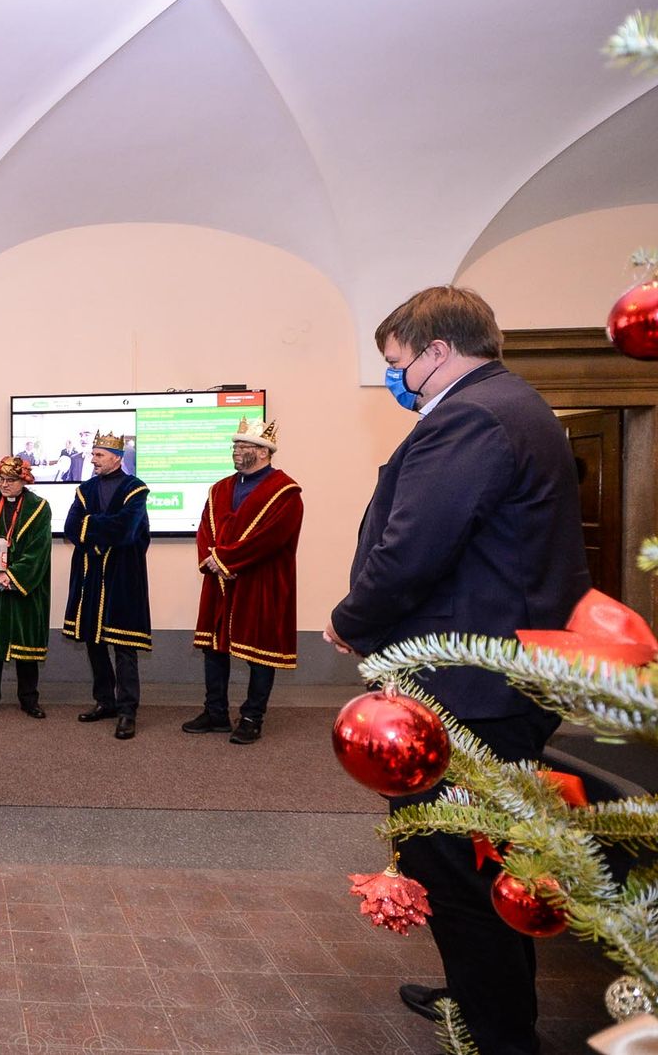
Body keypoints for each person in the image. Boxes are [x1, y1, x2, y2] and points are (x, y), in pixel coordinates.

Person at [326, 285, 590, 1055]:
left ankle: (501, 1031)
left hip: (469, 684)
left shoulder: (473, 415)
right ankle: (480, 993)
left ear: (437, 351)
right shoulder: (514, 406)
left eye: (396, 362)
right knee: (479, 855)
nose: (394, 378)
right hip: (494, 677)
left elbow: (415, 546)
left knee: (463, 863)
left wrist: (351, 619)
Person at [184, 419, 303, 745]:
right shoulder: (220, 488)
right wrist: (213, 561)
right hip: (220, 581)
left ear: (264, 452)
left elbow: (271, 538)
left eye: (243, 446)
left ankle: (252, 717)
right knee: (213, 648)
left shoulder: (286, 492)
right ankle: (216, 712)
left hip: (261, 580)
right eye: (235, 446)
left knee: (259, 651)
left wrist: (225, 560)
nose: (236, 452)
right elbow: (205, 530)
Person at [62, 431, 152, 740]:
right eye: (93, 454)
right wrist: (98, 532)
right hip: (90, 575)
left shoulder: (135, 489)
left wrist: (91, 530)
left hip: (123, 576)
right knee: (93, 642)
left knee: (124, 647)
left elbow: (127, 530)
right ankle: (105, 701)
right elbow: (70, 527)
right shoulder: (85, 489)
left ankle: (128, 710)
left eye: (99, 455)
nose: (92, 459)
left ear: (116, 457)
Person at [0, 455, 53, 719]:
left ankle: (29, 699)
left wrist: (12, 576)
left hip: (22, 587)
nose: (4, 485)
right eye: (1, 479)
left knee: (24, 645)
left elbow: (39, 550)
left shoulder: (39, 507)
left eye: (10, 480)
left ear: (23, 481)